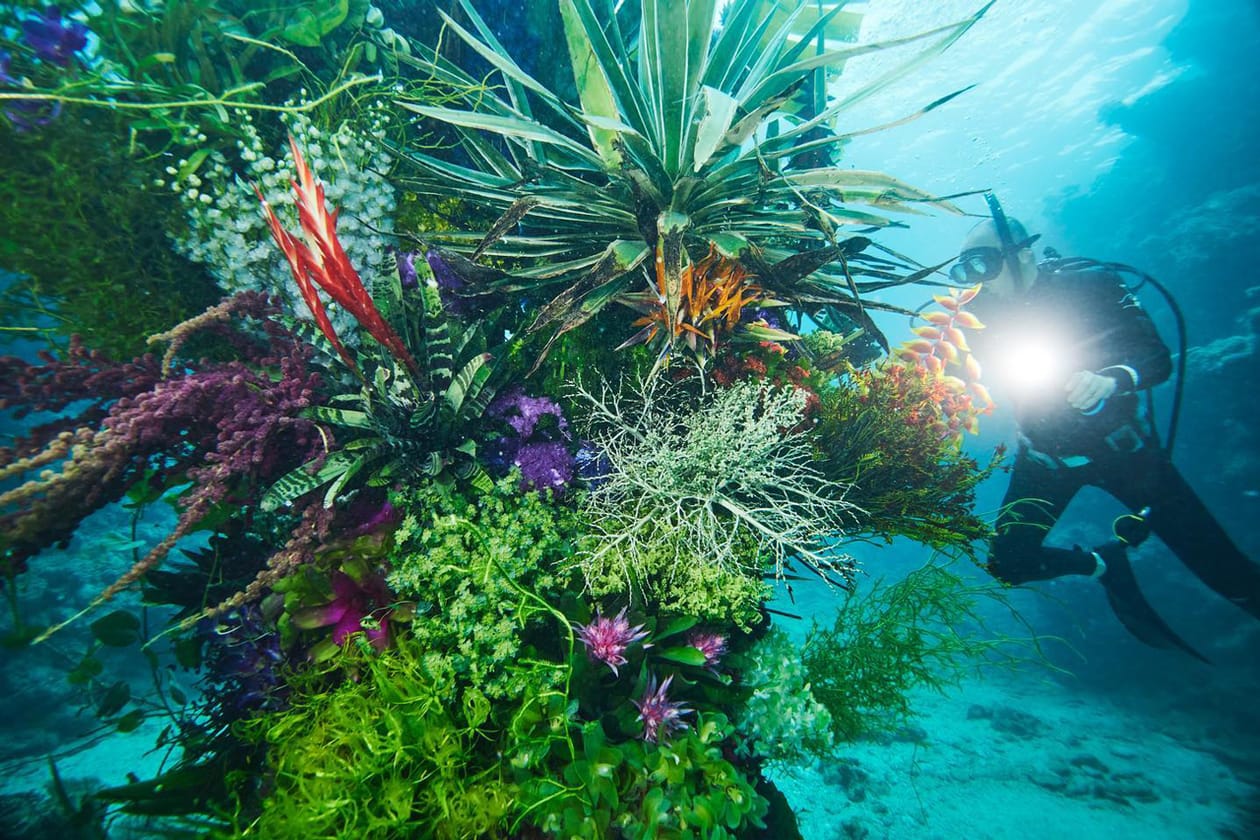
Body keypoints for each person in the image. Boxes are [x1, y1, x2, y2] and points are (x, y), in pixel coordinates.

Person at [951, 196, 1260, 659]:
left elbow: (1156, 359)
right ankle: (1100, 564)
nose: (981, 281)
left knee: (1225, 572)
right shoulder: (978, 314)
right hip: (1044, 459)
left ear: (1024, 253)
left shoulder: (1089, 283)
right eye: (971, 268)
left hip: (1126, 454)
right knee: (1008, 563)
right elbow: (943, 364)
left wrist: (1110, 379)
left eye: (988, 264)